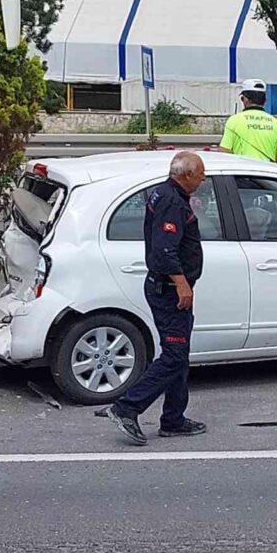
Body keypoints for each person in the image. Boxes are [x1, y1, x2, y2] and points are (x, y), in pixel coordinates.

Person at [103, 152, 208, 445]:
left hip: (170, 288)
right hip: (169, 291)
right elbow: (164, 249)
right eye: (200, 173)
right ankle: (127, 407)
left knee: (179, 356)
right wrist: (182, 284)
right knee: (174, 355)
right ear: (185, 174)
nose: (203, 179)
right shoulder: (172, 201)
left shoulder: (165, 194)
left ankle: (173, 419)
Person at [218, 78, 277, 165]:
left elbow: (224, 152)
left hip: (242, 174)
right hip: (267, 175)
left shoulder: (234, 121)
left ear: (244, 99)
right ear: (265, 101)